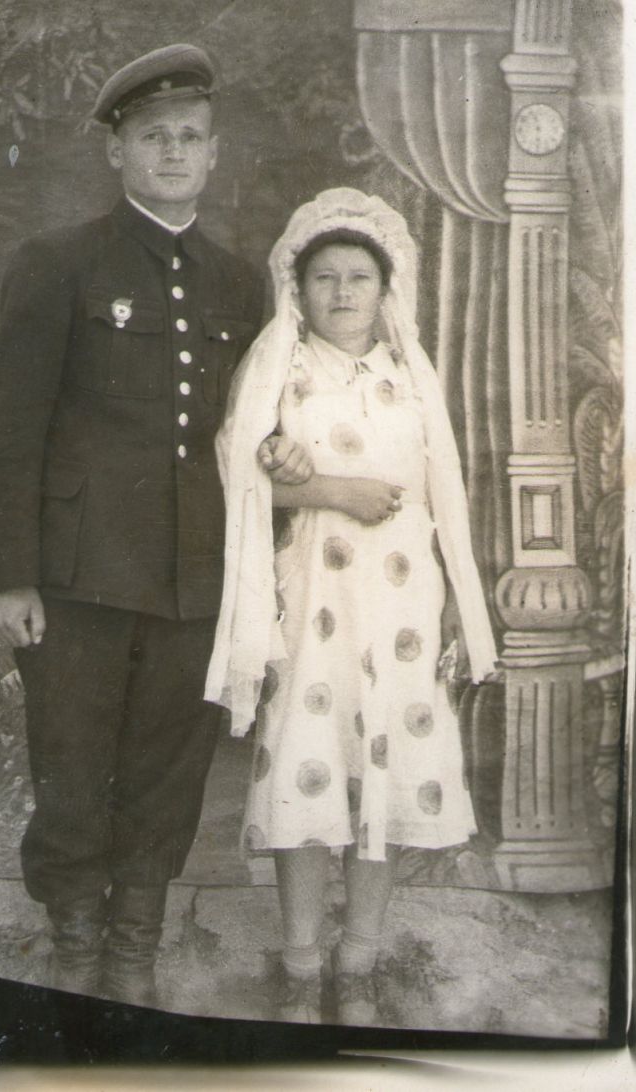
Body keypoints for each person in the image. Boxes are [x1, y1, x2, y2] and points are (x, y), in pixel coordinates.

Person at [0, 43, 310, 1007]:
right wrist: (12, 574)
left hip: (194, 572)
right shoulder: (58, 263)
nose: (172, 152)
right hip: (78, 574)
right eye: (153, 136)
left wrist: (285, 455)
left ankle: (135, 952)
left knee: (168, 770)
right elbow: (9, 428)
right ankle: (75, 948)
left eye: (189, 137)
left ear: (214, 155)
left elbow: (249, 425)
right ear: (116, 152)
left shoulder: (239, 283)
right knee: (74, 765)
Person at [205, 188, 498, 1026]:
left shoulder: (409, 372)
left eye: (358, 278)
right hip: (315, 592)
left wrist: (455, 599)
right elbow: (234, 469)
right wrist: (323, 486)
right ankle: (302, 966)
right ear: (297, 289)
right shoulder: (281, 367)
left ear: (384, 288)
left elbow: (442, 492)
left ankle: (360, 961)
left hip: (404, 595)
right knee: (310, 756)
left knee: (387, 771)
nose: (341, 292)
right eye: (324, 278)